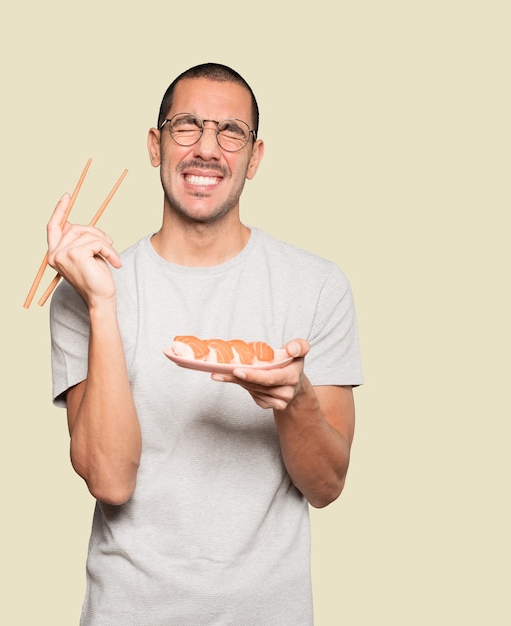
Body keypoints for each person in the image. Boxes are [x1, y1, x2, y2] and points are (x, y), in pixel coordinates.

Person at [47, 62, 363, 626]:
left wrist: (295, 399)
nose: (207, 149)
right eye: (186, 126)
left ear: (255, 156)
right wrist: (102, 302)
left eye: (230, 132)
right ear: (156, 144)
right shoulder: (87, 288)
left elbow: (327, 486)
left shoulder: (316, 285)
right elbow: (110, 480)